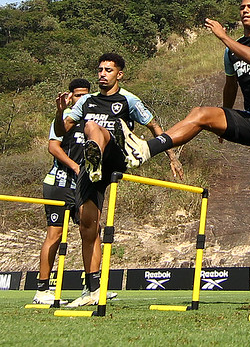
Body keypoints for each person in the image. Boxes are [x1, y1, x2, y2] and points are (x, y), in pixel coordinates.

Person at [113, 0, 250, 306]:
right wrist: (224, 122)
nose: (245, 10)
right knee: (202, 114)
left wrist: (223, 36)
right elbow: (230, 86)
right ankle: (147, 149)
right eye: (241, 6)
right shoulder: (231, 53)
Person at [53, 53, 182, 307]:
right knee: (88, 227)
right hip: (91, 170)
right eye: (100, 69)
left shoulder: (128, 99)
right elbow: (61, 130)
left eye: (108, 70)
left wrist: (172, 157)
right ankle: (92, 289)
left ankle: (95, 158)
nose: (102, 74)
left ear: (119, 74)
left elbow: (155, 127)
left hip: (116, 155)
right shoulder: (86, 101)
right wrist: (60, 112)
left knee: (92, 128)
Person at [32, 78, 89, 305]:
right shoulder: (63, 119)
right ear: (69, 96)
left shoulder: (91, 121)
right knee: (54, 235)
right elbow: (53, 147)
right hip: (59, 183)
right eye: (77, 95)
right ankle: (42, 290)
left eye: (85, 95)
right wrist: (74, 166)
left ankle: (92, 287)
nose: (81, 99)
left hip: (83, 186)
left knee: (92, 232)